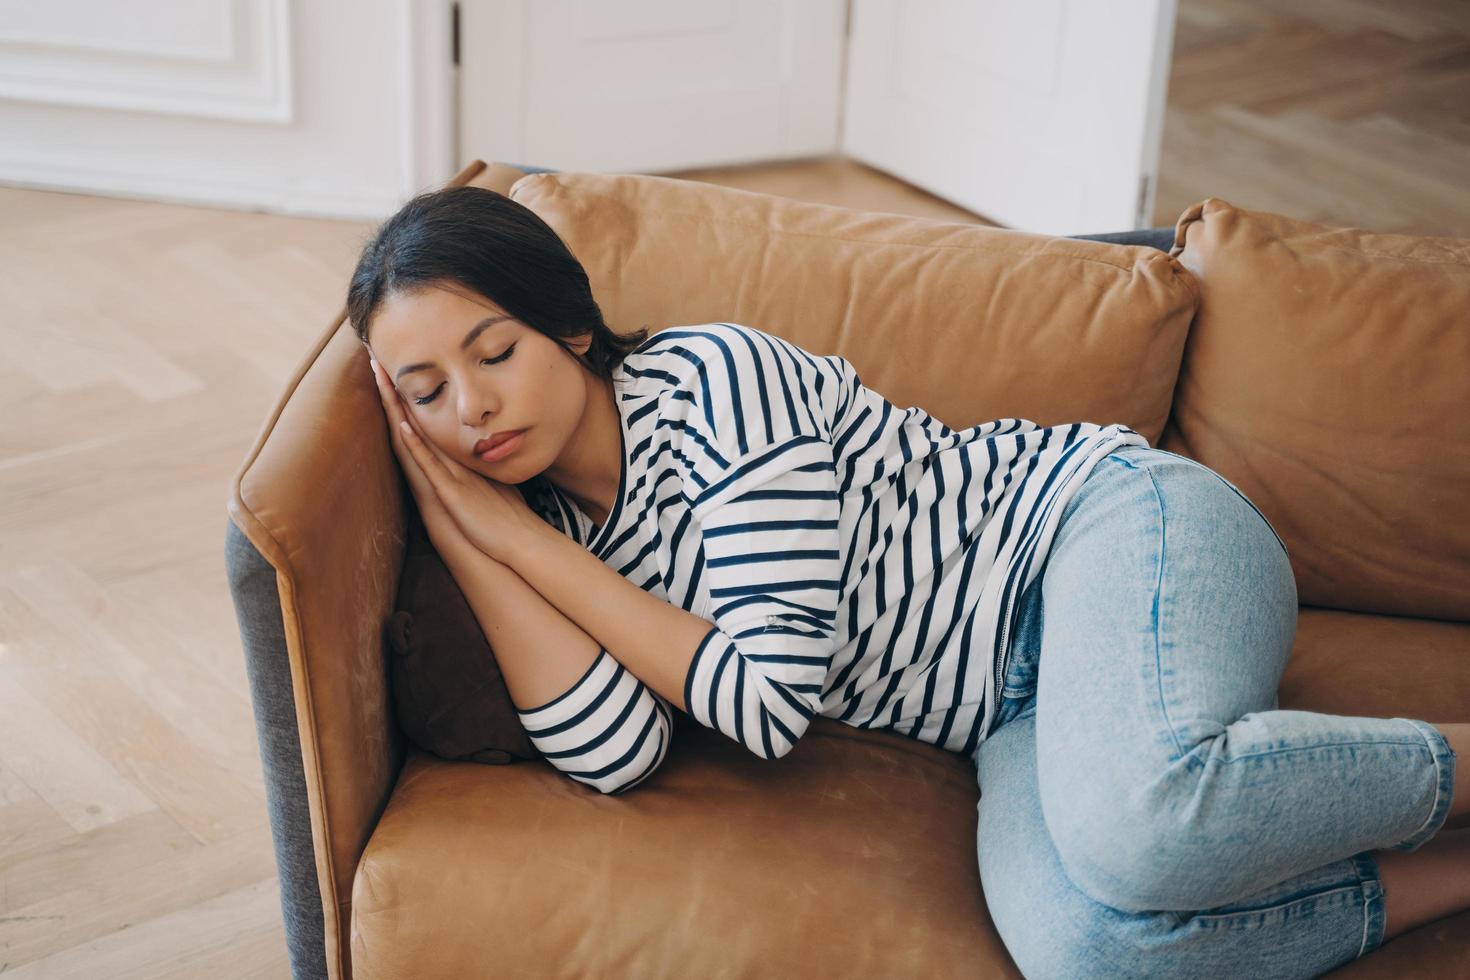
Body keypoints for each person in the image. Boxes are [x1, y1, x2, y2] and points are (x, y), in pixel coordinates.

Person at [346, 185, 1467, 978]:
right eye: (426, 391)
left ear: (573, 327)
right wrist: (469, 535)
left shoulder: (714, 383)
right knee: (1087, 953)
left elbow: (768, 703)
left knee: (1141, 823)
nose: (472, 410)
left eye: (493, 352)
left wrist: (519, 543)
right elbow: (614, 751)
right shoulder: (542, 521)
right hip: (1006, 704)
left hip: (1101, 531)